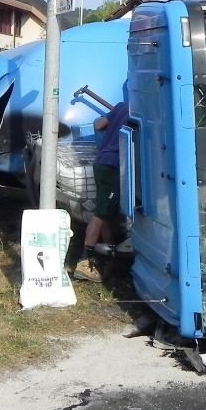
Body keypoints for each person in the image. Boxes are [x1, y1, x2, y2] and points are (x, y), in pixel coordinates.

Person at [73, 101, 129, 282]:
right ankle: (84, 261)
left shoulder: (121, 106)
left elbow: (98, 125)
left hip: (101, 162)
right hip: (113, 165)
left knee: (106, 210)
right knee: (101, 214)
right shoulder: (143, 111)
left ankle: (110, 253)